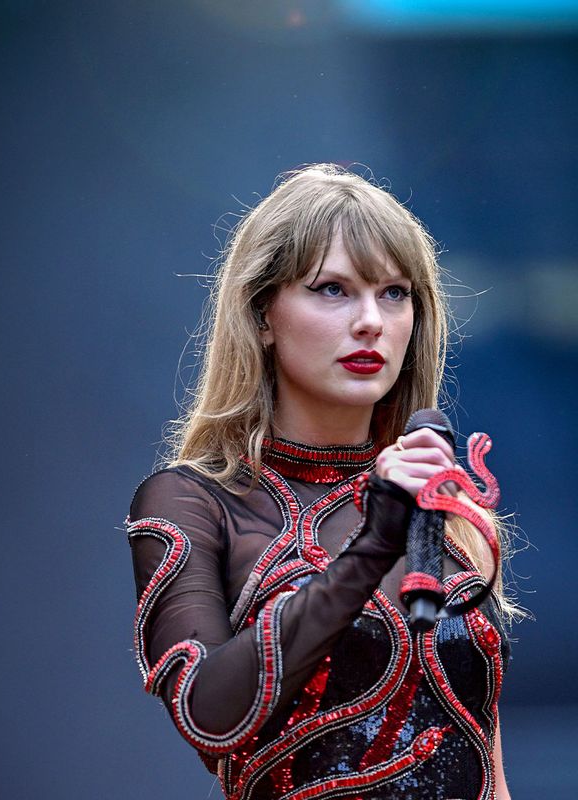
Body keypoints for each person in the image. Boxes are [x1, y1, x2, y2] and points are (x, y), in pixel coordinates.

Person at [126, 164, 525, 800]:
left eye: (394, 293)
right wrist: (376, 541)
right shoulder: (196, 502)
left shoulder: (447, 510)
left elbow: (487, 765)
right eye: (333, 289)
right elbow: (209, 716)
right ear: (261, 315)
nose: (371, 321)